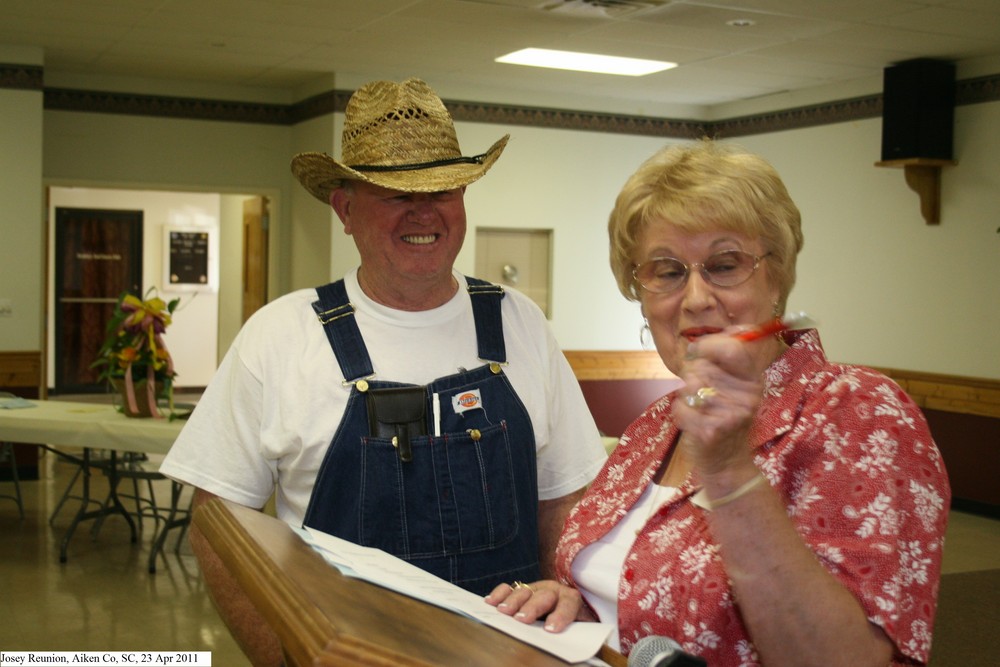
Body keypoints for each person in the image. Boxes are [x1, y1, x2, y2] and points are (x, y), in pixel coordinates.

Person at [161, 78, 607, 666]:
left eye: (444, 190)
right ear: (344, 209)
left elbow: (564, 499)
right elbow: (219, 530)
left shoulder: (519, 323)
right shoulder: (281, 335)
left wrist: (570, 598)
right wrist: (284, 654)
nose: (425, 212)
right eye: (397, 194)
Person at [486, 140, 950, 667]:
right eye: (667, 271)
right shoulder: (653, 428)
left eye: (725, 265)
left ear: (777, 277)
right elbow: (627, 595)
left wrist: (730, 470)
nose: (697, 298)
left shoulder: (860, 414)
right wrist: (575, 606)